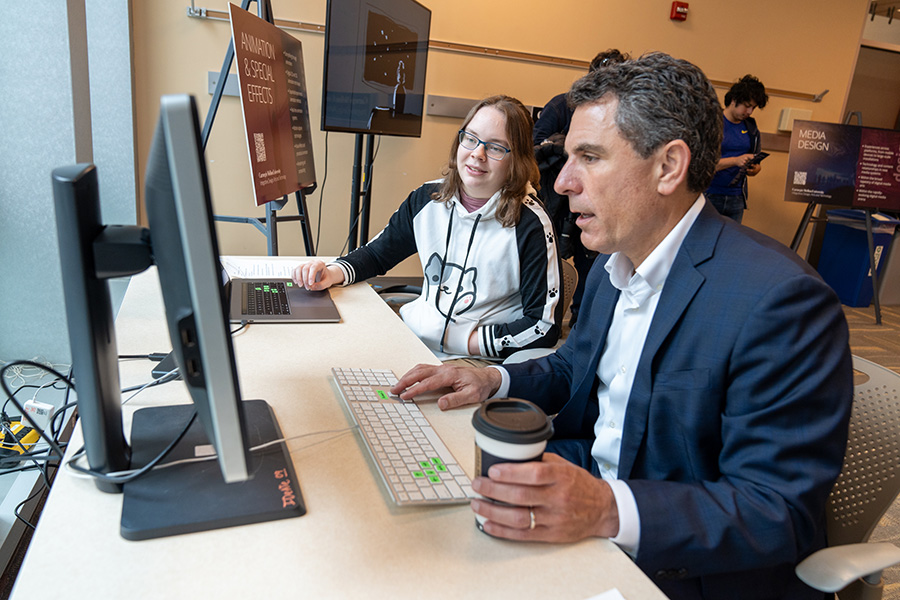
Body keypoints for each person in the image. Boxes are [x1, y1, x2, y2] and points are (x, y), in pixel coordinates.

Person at [391, 53, 852, 599]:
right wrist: (493, 379)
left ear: (668, 167)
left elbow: (777, 511)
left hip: (673, 564)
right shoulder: (615, 263)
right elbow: (574, 366)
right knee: (415, 534)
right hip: (590, 492)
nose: (562, 182)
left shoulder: (781, 301)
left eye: (589, 157)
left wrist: (606, 508)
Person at [293, 95, 562, 363]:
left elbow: (543, 327)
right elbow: (378, 254)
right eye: (471, 138)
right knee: (324, 360)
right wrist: (331, 272)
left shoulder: (531, 224)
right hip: (415, 340)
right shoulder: (427, 198)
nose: (477, 154)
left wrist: (461, 340)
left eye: (495, 148)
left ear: (518, 160)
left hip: (476, 360)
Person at [533, 49, 629, 326]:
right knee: (549, 262)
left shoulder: (621, 115)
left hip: (598, 200)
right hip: (556, 200)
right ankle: (542, 319)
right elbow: (537, 147)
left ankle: (581, 325)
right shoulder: (561, 106)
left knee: (593, 266)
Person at [704, 74, 768, 223]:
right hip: (709, 194)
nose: (750, 112)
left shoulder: (751, 128)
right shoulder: (712, 122)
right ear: (733, 100)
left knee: (730, 243)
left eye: (753, 107)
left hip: (737, 197)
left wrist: (756, 169)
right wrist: (734, 161)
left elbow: (754, 158)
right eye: (747, 105)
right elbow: (702, 165)